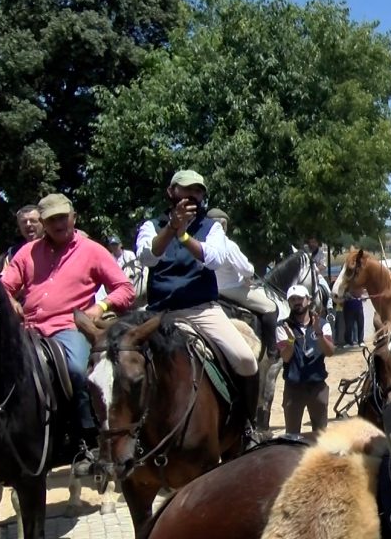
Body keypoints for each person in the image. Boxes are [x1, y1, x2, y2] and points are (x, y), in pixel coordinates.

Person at [0, 194, 134, 465]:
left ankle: (86, 436)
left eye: (63, 217)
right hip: (29, 327)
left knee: (76, 370)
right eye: (51, 219)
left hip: (69, 325)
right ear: (44, 224)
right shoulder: (27, 252)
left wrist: (100, 309)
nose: (58, 223)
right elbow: (3, 285)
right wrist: (11, 301)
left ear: (74, 217)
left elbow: (125, 289)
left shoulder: (92, 250)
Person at [135, 170, 262, 446]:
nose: (193, 195)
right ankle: (116, 440)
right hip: (159, 313)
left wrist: (183, 236)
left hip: (201, 309)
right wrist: (171, 229)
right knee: (118, 359)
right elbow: (147, 257)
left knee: (245, 359)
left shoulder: (211, 228)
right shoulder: (151, 225)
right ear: (172, 192)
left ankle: (247, 427)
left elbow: (214, 259)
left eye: (199, 191)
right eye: (186, 190)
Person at [206, 208, 280, 358]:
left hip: (209, 289)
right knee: (271, 307)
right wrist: (249, 273)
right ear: (223, 225)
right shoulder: (228, 245)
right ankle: (272, 350)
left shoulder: (201, 243)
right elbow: (246, 269)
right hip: (231, 289)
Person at [276, 284, 335, 436]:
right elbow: (286, 357)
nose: (297, 302)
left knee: (321, 436)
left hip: (317, 387)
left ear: (308, 300)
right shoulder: (282, 327)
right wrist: (290, 341)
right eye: (293, 299)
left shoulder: (322, 324)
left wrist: (319, 334)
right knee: (292, 436)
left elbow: (329, 352)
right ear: (289, 303)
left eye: (300, 298)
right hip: (294, 388)